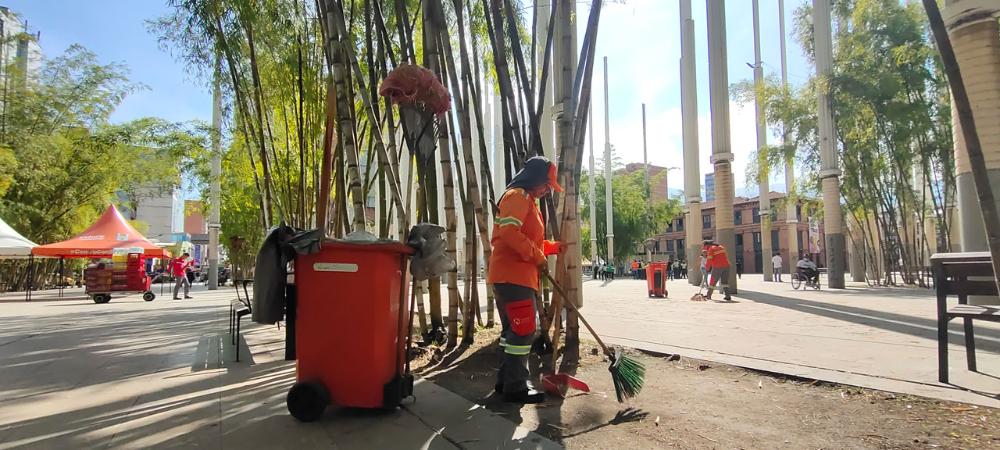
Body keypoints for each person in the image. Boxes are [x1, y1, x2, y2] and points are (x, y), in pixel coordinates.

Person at [487, 155, 562, 404]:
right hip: (514, 277)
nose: (547, 190)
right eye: (547, 184)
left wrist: (551, 248)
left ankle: (506, 382)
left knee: (513, 332)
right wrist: (538, 256)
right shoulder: (517, 197)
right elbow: (509, 233)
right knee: (523, 331)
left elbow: (527, 238)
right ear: (535, 178)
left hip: (513, 276)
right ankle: (516, 387)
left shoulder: (526, 199)